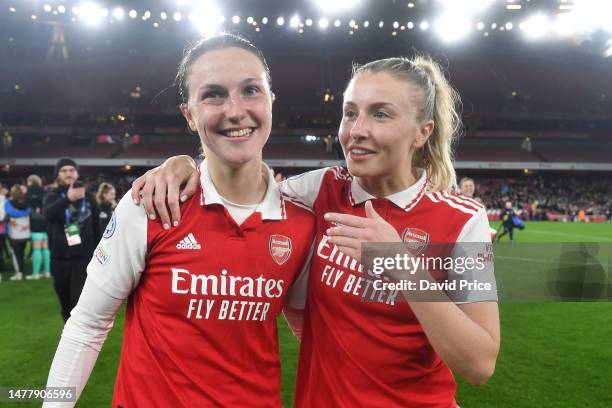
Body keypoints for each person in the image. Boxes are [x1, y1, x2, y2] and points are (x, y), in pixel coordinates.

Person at [132, 55, 500, 406]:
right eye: (350, 113)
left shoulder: (464, 220)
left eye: (381, 115)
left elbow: (479, 365)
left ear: (422, 132)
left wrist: (405, 267)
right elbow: (236, 181)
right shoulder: (317, 191)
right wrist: (182, 164)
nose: (357, 131)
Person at [45, 34, 315, 407]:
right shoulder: (150, 204)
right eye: (213, 94)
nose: (235, 110)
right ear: (189, 115)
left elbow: (309, 329)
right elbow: (87, 326)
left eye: (251, 90)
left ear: (271, 100)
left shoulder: (301, 221)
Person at [43, 158, 100, 322]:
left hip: (83, 259)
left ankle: (79, 340)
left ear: (77, 173)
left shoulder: (89, 197)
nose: (68, 173)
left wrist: (98, 256)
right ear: (58, 175)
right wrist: (67, 199)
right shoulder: (52, 196)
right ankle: (68, 338)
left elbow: (97, 228)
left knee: (79, 303)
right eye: (64, 170)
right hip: (59, 259)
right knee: (65, 304)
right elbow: (46, 216)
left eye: (71, 170)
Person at [5, 184, 31, 280]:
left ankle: (18, 274)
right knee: (21, 252)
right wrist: (26, 213)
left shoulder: (8, 202)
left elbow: (10, 213)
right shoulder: (27, 202)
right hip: (25, 232)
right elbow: (29, 211)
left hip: (14, 233)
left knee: (16, 253)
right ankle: (20, 271)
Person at [27, 175, 51, 279]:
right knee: (45, 247)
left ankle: (35, 274)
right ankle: (47, 272)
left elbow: (27, 207)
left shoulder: (29, 191)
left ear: (30, 181)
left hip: (35, 221)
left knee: (37, 248)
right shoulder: (44, 190)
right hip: (46, 221)